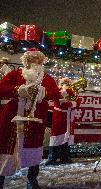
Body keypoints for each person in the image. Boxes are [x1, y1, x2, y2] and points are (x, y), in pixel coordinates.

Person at [0, 48, 62, 189]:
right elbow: (2, 87)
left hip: (35, 120)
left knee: (33, 150)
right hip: (12, 118)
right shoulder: (15, 74)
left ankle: (32, 180)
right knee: (6, 149)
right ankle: (1, 179)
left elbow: (55, 94)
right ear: (26, 61)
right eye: (32, 60)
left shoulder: (46, 78)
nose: (35, 62)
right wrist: (17, 90)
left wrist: (44, 92)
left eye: (38, 60)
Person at [45, 77, 79, 166]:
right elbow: (62, 103)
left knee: (66, 137)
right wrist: (70, 104)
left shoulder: (72, 92)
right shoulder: (58, 91)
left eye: (68, 82)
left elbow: (77, 102)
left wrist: (70, 104)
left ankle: (65, 157)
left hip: (67, 117)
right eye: (65, 82)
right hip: (59, 117)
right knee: (56, 136)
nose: (66, 84)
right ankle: (52, 158)